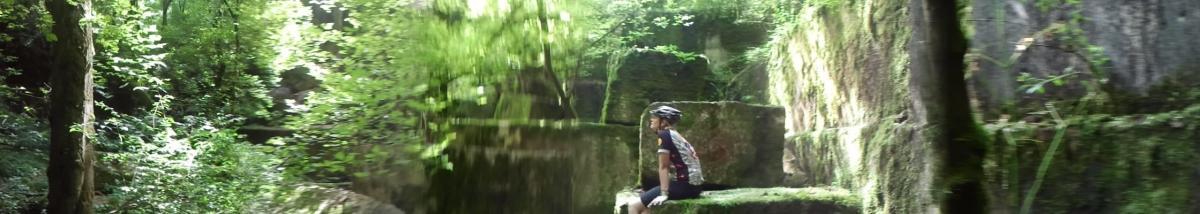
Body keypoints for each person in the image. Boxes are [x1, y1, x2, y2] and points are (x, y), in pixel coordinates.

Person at [627, 106, 705, 214]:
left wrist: (664, 194)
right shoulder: (675, 135)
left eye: (655, 117)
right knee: (646, 209)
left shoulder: (664, 135)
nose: (651, 120)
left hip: (685, 186)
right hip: (694, 187)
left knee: (633, 206)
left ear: (663, 122)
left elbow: (664, 167)